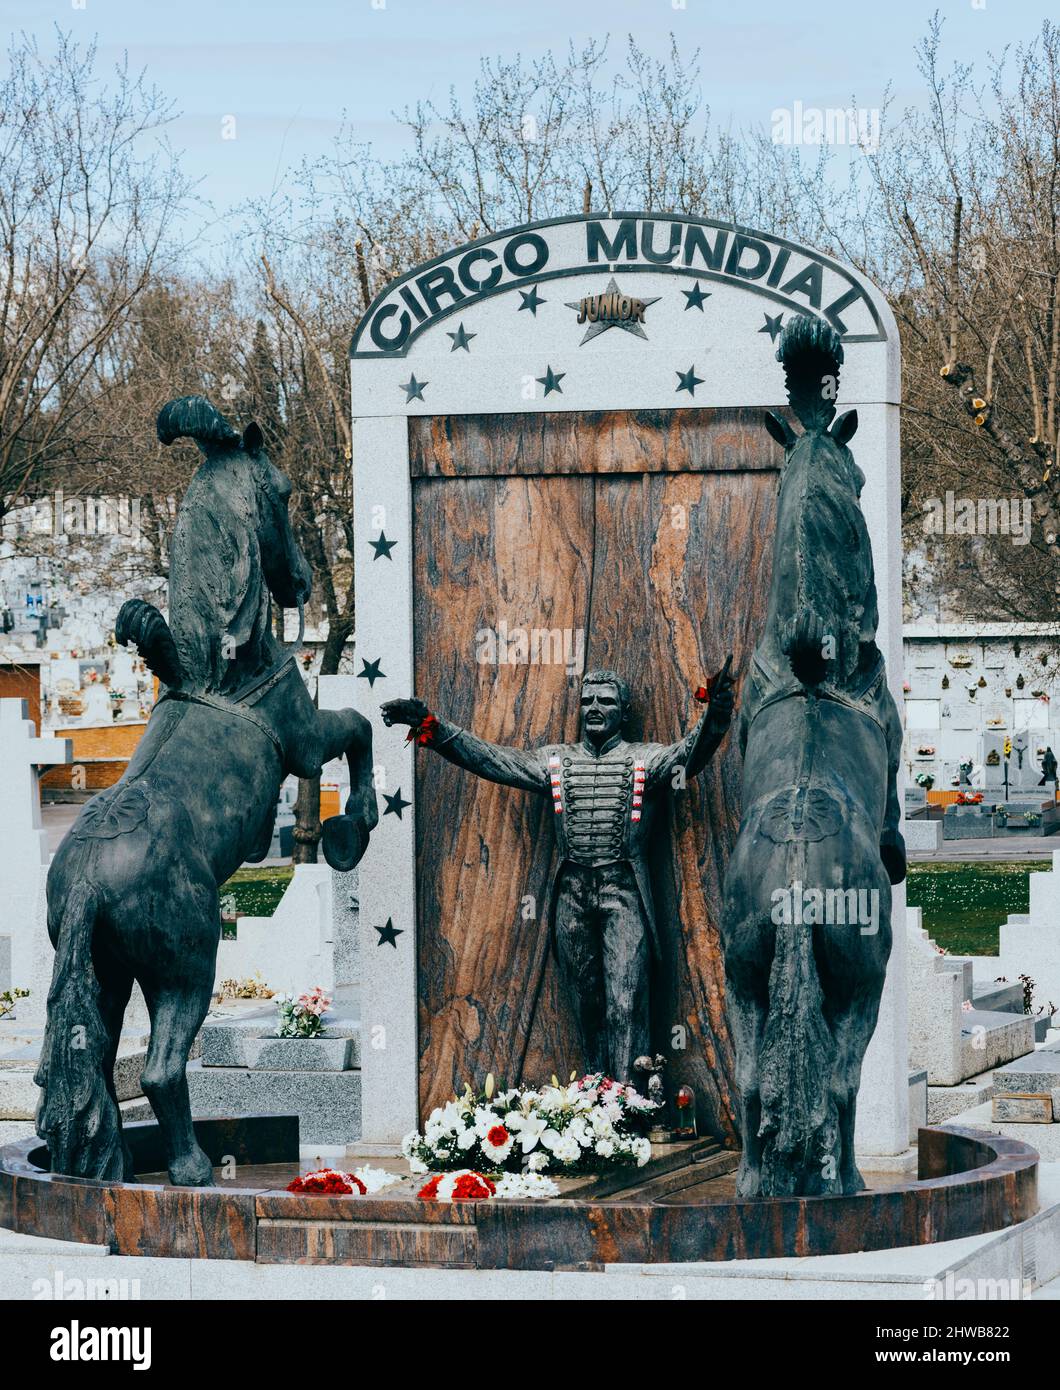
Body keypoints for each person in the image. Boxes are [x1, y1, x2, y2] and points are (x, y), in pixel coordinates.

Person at [381, 662, 735, 1083]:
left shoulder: (645, 758)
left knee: (626, 1000)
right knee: (586, 1002)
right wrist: (431, 727)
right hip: (572, 892)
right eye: (586, 701)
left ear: (623, 710)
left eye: (605, 701)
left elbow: (691, 752)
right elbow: (493, 760)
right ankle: (597, 1097)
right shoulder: (555, 761)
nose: (594, 708)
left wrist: (717, 710)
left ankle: (630, 1103)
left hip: (622, 891)